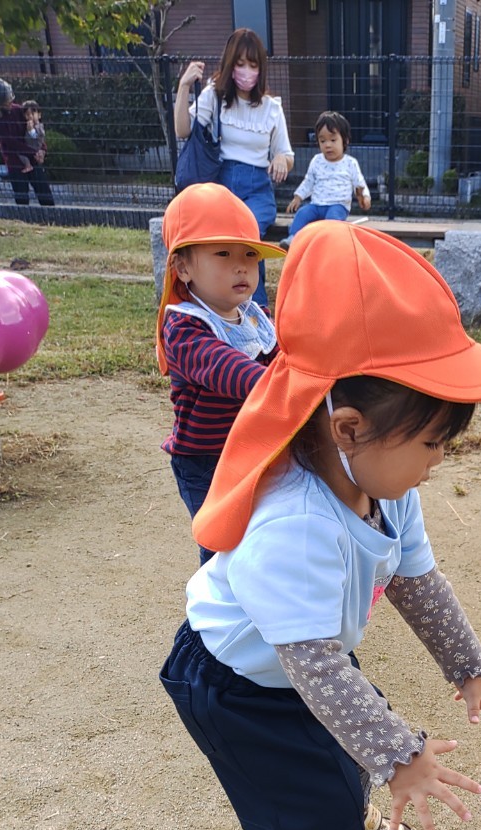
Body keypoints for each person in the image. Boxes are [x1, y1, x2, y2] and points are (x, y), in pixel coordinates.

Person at [160, 221, 481, 830]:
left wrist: (467, 668)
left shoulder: (387, 488)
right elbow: (319, 673)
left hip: (304, 660)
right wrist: (402, 756)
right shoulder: (295, 523)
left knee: (348, 753)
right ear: (349, 428)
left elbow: (417, 582)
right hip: (234, 682)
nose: (438, 462)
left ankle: (342, 827)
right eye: (432, 443)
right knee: (316, 804)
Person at [156, 183, 286, 564]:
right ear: (183, 268)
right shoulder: (184, 327)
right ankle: (210, 605)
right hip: (205, 462)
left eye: (250, 254)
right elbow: (224, 368)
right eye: (224, 253)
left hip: (253, 452)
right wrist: (279, 383)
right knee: (221, 551)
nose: (241, 265)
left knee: (261, 539)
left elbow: (284, 357)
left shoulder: (255, 316)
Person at [174, 29, 293, 308]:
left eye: (253, 64)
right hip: (222, 189)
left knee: (246, 237)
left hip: (258, 190)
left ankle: (254, 310)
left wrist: (280, 160)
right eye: (240, 64)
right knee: (228, 242)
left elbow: (287, 155)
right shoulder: (214, 96)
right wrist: (183, 86)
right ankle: (229, 306)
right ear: (230, 64)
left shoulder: (271, 108)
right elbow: (182, 130)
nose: (247, 71)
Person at [281, 110, 371, 248]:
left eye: (333, 140)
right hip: (316, 205)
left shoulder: (350, 163)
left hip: (338, 205)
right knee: (303, 213)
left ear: (345, 140)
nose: (327, 145)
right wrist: (298, 197)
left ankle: (327, 244)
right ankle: (293, 238)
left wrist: (365, 198)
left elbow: (360, 183)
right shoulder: (317, 160)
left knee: (332, 219)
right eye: (322, 141)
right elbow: (308, 181)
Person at [0, 79, 54, 208]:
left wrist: (42, 150)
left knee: (45, 194)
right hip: (14, 161)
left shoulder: (18, 110)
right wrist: (34, 152)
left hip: (32, 158)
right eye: (6, 100)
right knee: (22, 198)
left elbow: (35, 131)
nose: (10, 102)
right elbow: (9, 141)